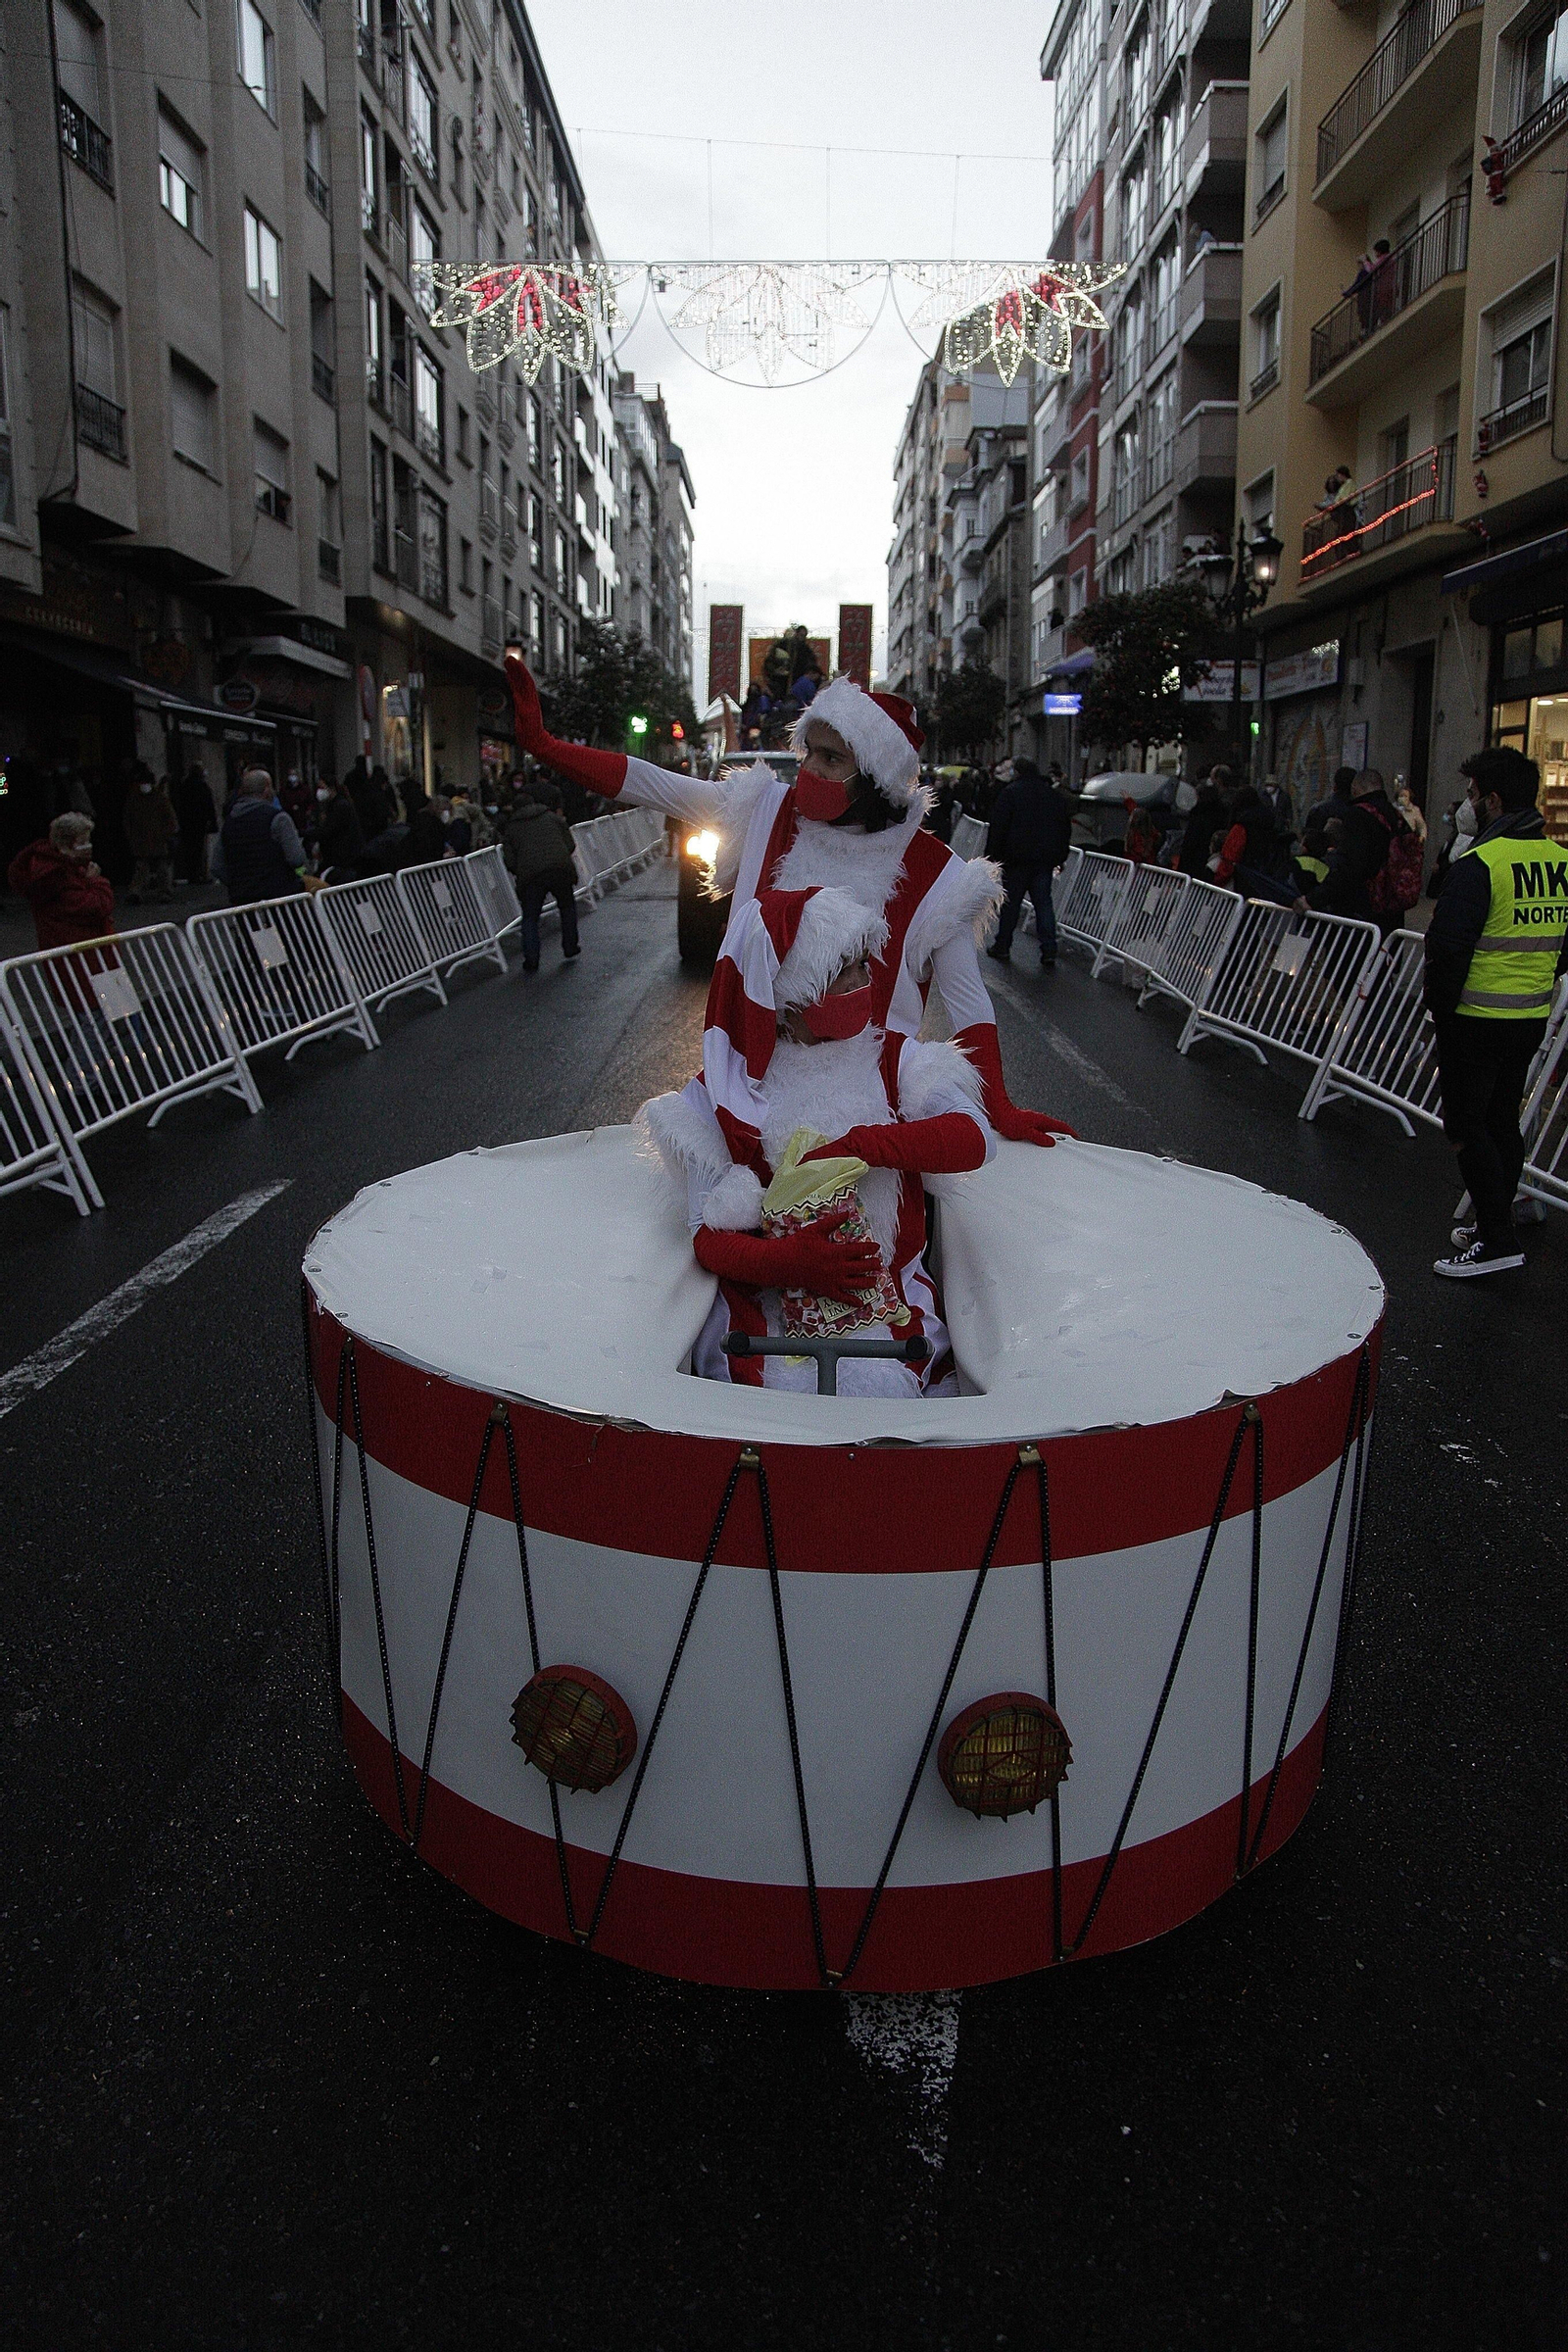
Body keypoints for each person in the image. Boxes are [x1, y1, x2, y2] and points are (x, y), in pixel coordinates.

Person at [505, 648, 1074, 1150]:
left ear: (874, 776)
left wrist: (998, 1105)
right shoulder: (766, 812)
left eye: (832, 759)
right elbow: (658, 786)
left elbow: (968, 1002)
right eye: (810, 753)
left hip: (868, 1115)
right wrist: (547, 746)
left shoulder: (936, 874)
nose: (811, 771)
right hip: (751, 1093)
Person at [638, 885, 995, 1396]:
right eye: (842, 969)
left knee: (880, 1399)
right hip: (766, 1318)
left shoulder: (894, 1060)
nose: (864, 977)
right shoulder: (725, 1092)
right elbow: (706, 1235)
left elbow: (973, 1140)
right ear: (786, 991)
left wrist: (863, 1146)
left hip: (887, 1309)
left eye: (862, 962)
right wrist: (787, 1265)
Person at [1424, 747, 1568, 1279]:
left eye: (1470, 796)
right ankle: (1493, 1224)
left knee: (1466, 1125)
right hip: (1529, 1017)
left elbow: (1447, 949)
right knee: (1503, 1120)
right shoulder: (1560, 862)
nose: (1466, 806)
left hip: (1474, 1017)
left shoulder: (1480, 864)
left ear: (1493, 800)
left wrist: (1440, 1011)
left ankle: (1497, 1241)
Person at [985, 756, 1073, 965]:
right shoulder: (1051, 795)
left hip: (1016, 858)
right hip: (1043, 859)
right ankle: (1049, 948)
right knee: (1043, 904)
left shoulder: (1011, 794)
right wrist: (1060, 856)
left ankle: (1003, 945)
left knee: (1011, 905)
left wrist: (991, 857)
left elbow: (999, 827)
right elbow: (1063, 828)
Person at [6, 811, 116, 950]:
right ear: (65, 845)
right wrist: (96, 881)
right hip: (80, 954)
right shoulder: (54, 876)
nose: (88, 847)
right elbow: (96, 907)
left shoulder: (62, 868)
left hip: (76, 951)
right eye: (83, 842)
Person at [212, 767, 322, 904]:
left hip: (242, 899)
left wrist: (237, 883)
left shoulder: (230, 822)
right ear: (266, 790)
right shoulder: (277, 818)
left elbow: (216, 866)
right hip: (279, 896)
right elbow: (296, 858)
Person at [502, 784, 580, 971]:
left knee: (530, 917)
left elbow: (509, 859)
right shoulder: (552, 818)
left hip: (531, 875)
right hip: (559, 868)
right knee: (567, 907)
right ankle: (570, 946)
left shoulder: (512, 828)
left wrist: (519, 870)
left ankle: (532, 958)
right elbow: (569, 843)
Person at [1307, 766, 1399, 925]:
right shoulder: (1394, 814)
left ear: (1355, 789)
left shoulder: (1357, 815)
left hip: (1360, 906)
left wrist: (1315, 898)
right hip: (1392, 901)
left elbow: (1350, 865)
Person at [123, 766, 178, 903]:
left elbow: (171, 819)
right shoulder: (135, 800)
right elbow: (128, 820)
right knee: (143, 867)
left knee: (161, 868)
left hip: (157, 838)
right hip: (142, 839)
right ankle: (136, 892)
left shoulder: (159, 798)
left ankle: (164, 892)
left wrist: (165, 834)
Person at [1176, 764, 1231, 877]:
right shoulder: (1222, 813)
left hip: (1197, 865)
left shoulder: (1198, 815)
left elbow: (1189, 844)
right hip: (1211, 862)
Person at [313, 777, 366, 881]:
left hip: (344, 858)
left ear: (331, 788)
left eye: (322, 787)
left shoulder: (339, 806)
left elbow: (328, 831)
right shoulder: (333, 805)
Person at [174, 760, 218, 885]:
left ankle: (192, 874)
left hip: (187, 823)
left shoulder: (184, 786)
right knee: (199, 850)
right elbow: (209, 805)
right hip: (199, 823)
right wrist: (212, 823)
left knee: (190, 850)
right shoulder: (202, 786)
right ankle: (199, 875)